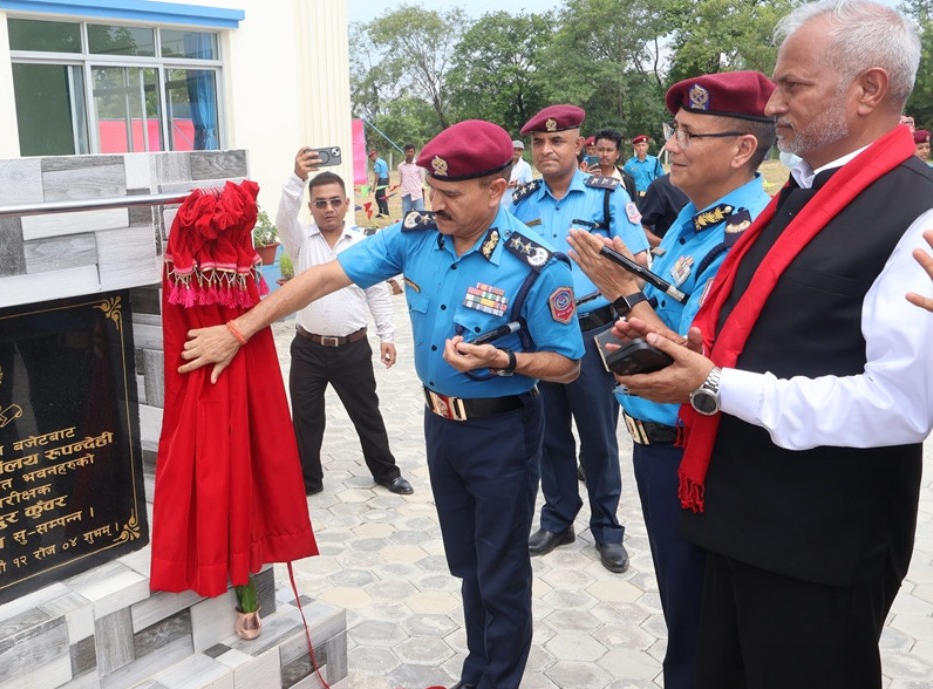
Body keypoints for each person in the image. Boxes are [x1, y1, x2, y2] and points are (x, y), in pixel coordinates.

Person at [181, 119, 584, 689]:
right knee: (469, 567)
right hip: (440, 427)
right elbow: (322, 277)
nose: (434, 203)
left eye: (450, 195)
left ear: (496, 189)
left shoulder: (537, 264)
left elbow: (568, 362)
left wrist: (506, 363)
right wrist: (240, 329)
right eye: (431, 191)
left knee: (501, 575)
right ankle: (480, 675)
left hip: (503, 434)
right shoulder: (417, 235)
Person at [613, 3, 933, 687]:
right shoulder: (804, 192)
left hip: (819, 545)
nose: (773, 102)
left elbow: (899, 405)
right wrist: (678, 346)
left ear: (868, 89)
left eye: (793, 86)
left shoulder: (913, 212)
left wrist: (712, 385)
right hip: (742, 515)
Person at [567, 70, 777, 689]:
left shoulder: (746, 235)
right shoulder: (696, 219)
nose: (672, 147)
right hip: (660, 447)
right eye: (672, 132)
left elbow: (694, 360)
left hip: (697, 451)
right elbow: (673, 309)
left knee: (701, 630)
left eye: (689, 133)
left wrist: (626, 293)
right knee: (685, 617)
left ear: (742, 149)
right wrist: (636, 288)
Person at [512, 105, 650, 574]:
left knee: (598, 438)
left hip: (593, 332)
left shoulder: (607, 197)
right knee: (549, 433)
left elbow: (638, 261)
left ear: (579, 145)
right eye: (539, 143)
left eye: (557, 141)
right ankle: (558, 518)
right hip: (541, 338)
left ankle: (608, 528)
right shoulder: (521, 202)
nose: (547, 150)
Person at [278, 148, 413, 497]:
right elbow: (283, 217)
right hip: (308, 348)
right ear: (311, 207)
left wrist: (388, 336)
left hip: (352, 348)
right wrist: (296, 177)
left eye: (335, 201)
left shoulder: (362, 245)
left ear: (346, 202)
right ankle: (307, 480)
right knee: (306, 419)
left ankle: (386, 472)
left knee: (367, 413)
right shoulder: (299, 241)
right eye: (320, 203)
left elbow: (378, 293)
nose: (328, 208)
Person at [638, 174, 690, 249]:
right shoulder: (661, 186)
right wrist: (665, 245)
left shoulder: (711, 187)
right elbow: (641, 227)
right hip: (671, 256)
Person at [592, 128, 639, 200]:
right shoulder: (586, 178)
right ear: (595, 151)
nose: (604, 154)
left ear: (617, 154)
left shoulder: (627, 180)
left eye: (609, 150)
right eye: (601, 150)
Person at [503, 139, 534, 208]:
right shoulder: (502, 164)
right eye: (514, 149)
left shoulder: (525, 166)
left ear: (522, 152)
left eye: (519, 150)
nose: (516, 152)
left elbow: (530, 186)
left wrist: (517, 184)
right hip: (501, 200)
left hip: (518, 202)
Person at [397, 143, 427, 215]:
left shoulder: (419, 165)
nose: (410, 154)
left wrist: (423, 197)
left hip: (417, 195)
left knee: (421, 217)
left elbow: (422, 182)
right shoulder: (400, 166)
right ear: (405, 152)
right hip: (406, 195)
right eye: (408, 152)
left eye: (411, 152)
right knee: (406, 218)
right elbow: (400, 181)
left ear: (414, 153)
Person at [369, 149, 391, 218]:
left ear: (375, 155)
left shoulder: (377, 164)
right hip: (385, 180)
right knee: (377, 197)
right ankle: (381, 212)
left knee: (382, 198)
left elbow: (377, 175)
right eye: (370, 157)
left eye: (372, 157)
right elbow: (387, 172)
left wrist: (374, 186)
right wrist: (389, 181)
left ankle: (386, 214)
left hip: (381, 180)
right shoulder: (383, 162)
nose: (371, 159)